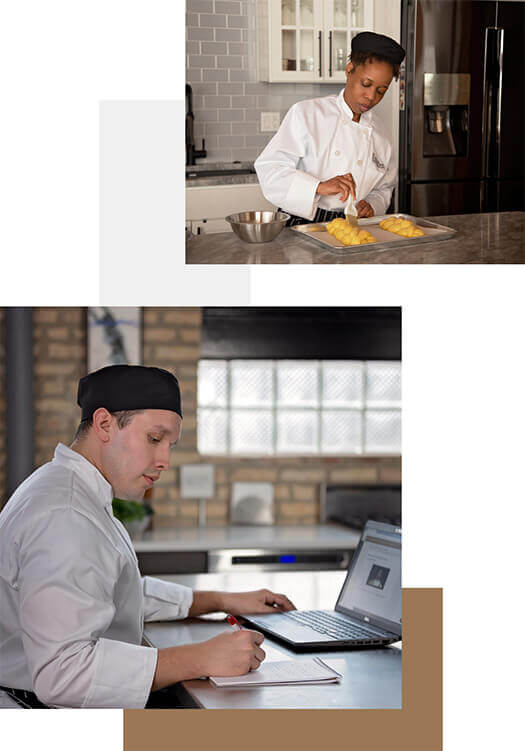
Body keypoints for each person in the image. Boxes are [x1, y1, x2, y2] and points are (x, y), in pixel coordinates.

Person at [0, 365, 295, 709]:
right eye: (154, 439)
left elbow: (106, 592)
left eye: (170, 444)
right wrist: (199, 657)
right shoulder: (65, 515)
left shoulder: (68, 488)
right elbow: (64, 674)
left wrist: (220, 600)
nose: (165, 460)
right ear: (105, 424)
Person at [254, 32, 405, 226]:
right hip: (303, 222)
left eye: (381, 91)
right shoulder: (307, 114)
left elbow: (384, 188)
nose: (371, 96)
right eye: (366, 84)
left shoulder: (381, 133)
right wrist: (318, 187)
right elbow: (270, 169)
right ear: (349, 70)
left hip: (352, 226)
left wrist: (373, 205)